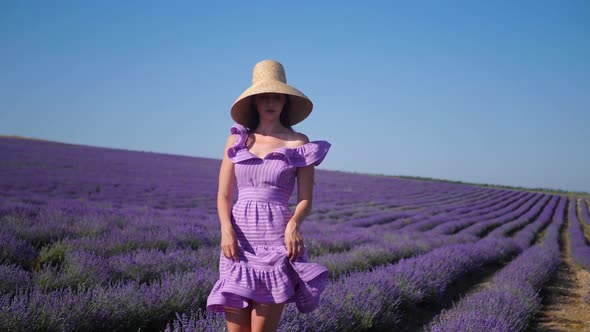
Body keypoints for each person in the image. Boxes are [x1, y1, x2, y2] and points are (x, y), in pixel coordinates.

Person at [206, 59, 331, 332]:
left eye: (276, 96)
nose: (270, 102)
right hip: (239, 243)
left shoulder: (298, 143)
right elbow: (223, 194)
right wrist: (226, 231)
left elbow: (306, 199)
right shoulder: (238, 140)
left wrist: (294, 226)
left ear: (285, 102)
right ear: (255, 102)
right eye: (264, 97)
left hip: (277, 242)